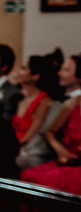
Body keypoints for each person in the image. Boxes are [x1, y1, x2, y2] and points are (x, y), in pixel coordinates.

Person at [22, 55, 81, 194]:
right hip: (67, 159)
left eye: (66, 70)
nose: (59, 73)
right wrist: (61, 150)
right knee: (32, 176)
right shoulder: (72, 102)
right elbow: (49, 132)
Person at [12, 55, 64, 169]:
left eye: (23, 68)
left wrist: (11, 148)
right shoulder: (19, 99)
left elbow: (32, 133)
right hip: (14, 147)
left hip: (28, 150)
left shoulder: (44, 102)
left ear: (35, 76)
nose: (18, 72)